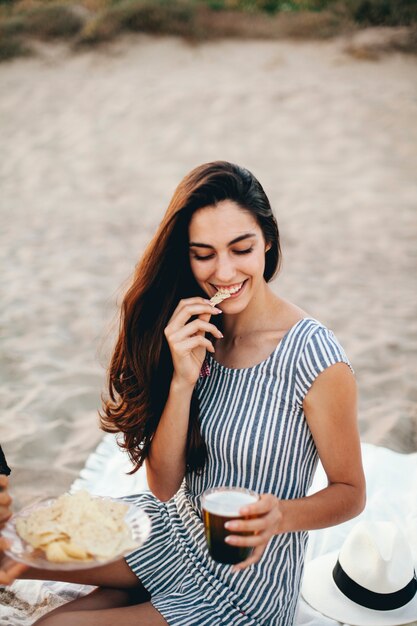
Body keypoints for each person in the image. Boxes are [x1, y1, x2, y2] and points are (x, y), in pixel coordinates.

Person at [0, 161, 366, 625]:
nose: (224, 270)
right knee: (11, 553)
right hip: (172, 530)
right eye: (204, 254)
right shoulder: (194, 331)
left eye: (241, 248)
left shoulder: (316, 358)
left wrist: (281, 517)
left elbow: (351, 492)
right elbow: (164, 485)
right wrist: (181, 379)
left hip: (243, 582)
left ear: (268, 242)